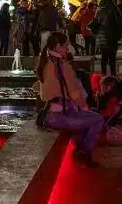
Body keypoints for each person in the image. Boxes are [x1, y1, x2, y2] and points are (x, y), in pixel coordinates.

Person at [37, 32, 104, 167]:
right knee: (97, 119)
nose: (68, 49)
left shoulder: (45, 62)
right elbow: (75, 93)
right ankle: (83, 152)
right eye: (65, 46)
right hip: (60, 116)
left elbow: (40, 88)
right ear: (57, 47)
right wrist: (85, 108)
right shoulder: (62, 65)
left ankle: (80, 150)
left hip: (49, 114)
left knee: (86, 119)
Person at [94, 0, 122, 78]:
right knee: (112, 58)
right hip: (111, 36)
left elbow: (95, 22)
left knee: (104, 57)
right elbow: (119, 21)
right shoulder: (113, 7)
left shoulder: (99, 8)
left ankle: (103, 75)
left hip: (101, 37)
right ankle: (113, 76)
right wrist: (119, 35)